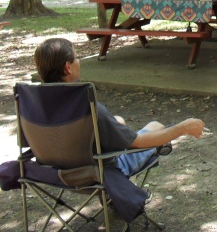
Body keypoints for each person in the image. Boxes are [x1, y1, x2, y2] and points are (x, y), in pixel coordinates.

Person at [34, 38, 206, 177]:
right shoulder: (85, 106)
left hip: (59, 170)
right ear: (68, 67)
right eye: (76, 57)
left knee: (119, 121)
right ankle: (122, 192)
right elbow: (137, 143)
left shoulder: (35, 104)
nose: (79, 61)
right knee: (155, 126)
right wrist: (183, 127)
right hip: (101, 172)